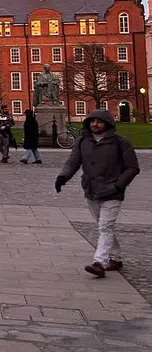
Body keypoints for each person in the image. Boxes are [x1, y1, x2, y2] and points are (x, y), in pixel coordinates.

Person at [56, 109, 140, 277]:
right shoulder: (83, 141)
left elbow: (132, 168)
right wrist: (62, 177)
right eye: (92, 121)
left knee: (105, 227)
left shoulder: (120, 142)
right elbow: (73, 162)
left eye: (99, 121)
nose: (95, 124)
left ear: (107, 124)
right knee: (103, 227)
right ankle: (115, 257)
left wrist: (118, 185)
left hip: (112, 191)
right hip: (91, 190)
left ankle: (99, 262)